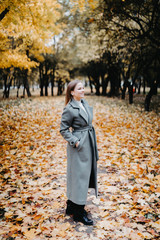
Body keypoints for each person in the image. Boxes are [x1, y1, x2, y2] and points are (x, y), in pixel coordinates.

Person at [60, 79, 99, 225]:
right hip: (79, 146)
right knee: (79, 177)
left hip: (88, 143)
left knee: (84, 175)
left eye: (83, 88)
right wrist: (75, 141)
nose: (83, 90)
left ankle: (71, 205)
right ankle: (78, 212)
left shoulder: (83, 104)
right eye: (80, 88)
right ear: (72, 92)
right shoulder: (69, 108)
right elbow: (63, 129)